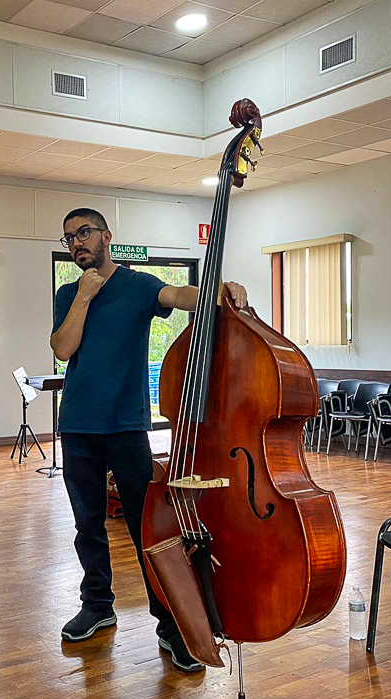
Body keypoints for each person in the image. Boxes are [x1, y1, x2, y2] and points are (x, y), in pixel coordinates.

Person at [50, 207, 247, 673]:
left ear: (106, 236)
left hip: (126, 426)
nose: (77, 243)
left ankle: (168, 623)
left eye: (85, 233)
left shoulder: (137, 285)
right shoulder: (67, 293)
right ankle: (97, 606)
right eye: (69, 238)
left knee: (148, 531)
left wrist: (218, 293)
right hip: (78, 425)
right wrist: (82, 298)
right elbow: (62, 348)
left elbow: (179, 294)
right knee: (88, 526)